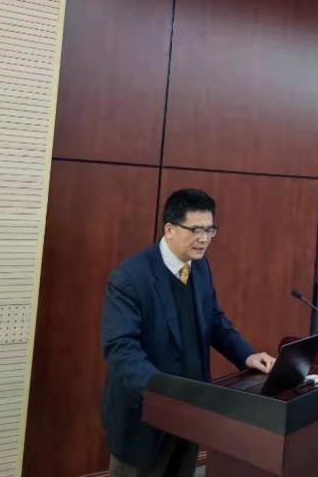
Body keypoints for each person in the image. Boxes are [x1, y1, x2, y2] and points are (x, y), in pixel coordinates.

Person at [101, 188, 275, 476]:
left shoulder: (200, 266)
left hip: (191, 412)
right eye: (195, 230)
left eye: (209, 230)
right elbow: (121, 349)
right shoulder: (129, 278)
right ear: (169, 229)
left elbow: (214, 320)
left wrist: (246, 355)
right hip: (145, 418)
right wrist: (163, 393)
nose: (204, 238)